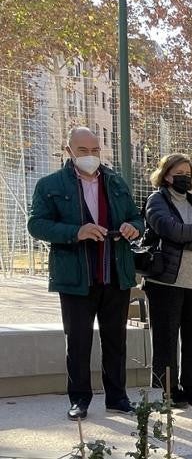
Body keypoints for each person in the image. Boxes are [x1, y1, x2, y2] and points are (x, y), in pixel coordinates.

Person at [28, 127, 143, 420]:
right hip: (76, 277)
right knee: (78, 341)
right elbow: (37, 224)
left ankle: (118, 397)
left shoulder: (116, 182)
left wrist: (133, 228)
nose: (90, 156)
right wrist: (75, 232)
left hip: (115, 273)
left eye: (95, 151)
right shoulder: (50, 184)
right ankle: (79, 399)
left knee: (116, 339)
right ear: (69, 151)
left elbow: (136, 217)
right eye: (83, 151)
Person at [142, 153, 192, 407]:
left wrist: (188, 237)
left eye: (188, 173)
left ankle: (191, 385)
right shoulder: (157, 200)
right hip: (165, 281)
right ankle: (169, 388)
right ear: (166, 174)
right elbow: (168, 229)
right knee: (165, 337)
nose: (185, 177)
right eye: (179, 172)